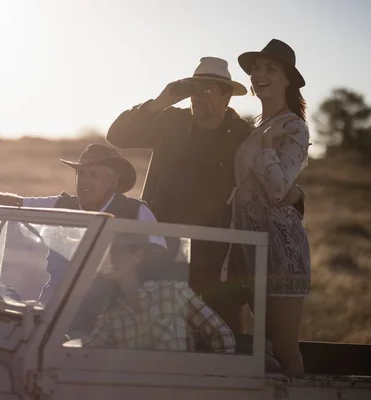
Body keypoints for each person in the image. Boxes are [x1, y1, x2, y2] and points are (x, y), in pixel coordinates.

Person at [106, 57, 305, 335]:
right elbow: (117, 136)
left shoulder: (242, 135)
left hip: (217, 254)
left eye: (209, 89)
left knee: (219, 331)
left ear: (226, 97)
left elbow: (270, 187)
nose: (199, 96)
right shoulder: (171, 122)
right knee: (157, 327)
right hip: (162, 247)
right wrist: (160, 101)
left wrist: (294, 197)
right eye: (195, 89)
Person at [0, 143, 166, 334]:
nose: (84, 182)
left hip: (100, 320)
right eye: (81, 174)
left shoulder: (136, 213)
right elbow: (12, 202)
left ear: (114, 181)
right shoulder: (62, 205)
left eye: (94, 174)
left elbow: (154, 270)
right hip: (48, 316)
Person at [233, 39, 311, 375]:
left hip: (281, 248)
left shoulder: (293, 126)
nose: (259, 75)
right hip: (249, 245)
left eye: (270, 69)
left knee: (283, 348)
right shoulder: (257, 127)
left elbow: (279, 191)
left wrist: (265, 148)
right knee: (257, 346)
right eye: (255, 69)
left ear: (288, 80)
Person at [82, 233, 235, 353]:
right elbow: (88, 354)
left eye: (115, 250)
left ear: (138, 255)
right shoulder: (110, 314)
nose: (108, 258)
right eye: (105, 252)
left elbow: (222, 336)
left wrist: (209, 384)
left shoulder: (172, 292)